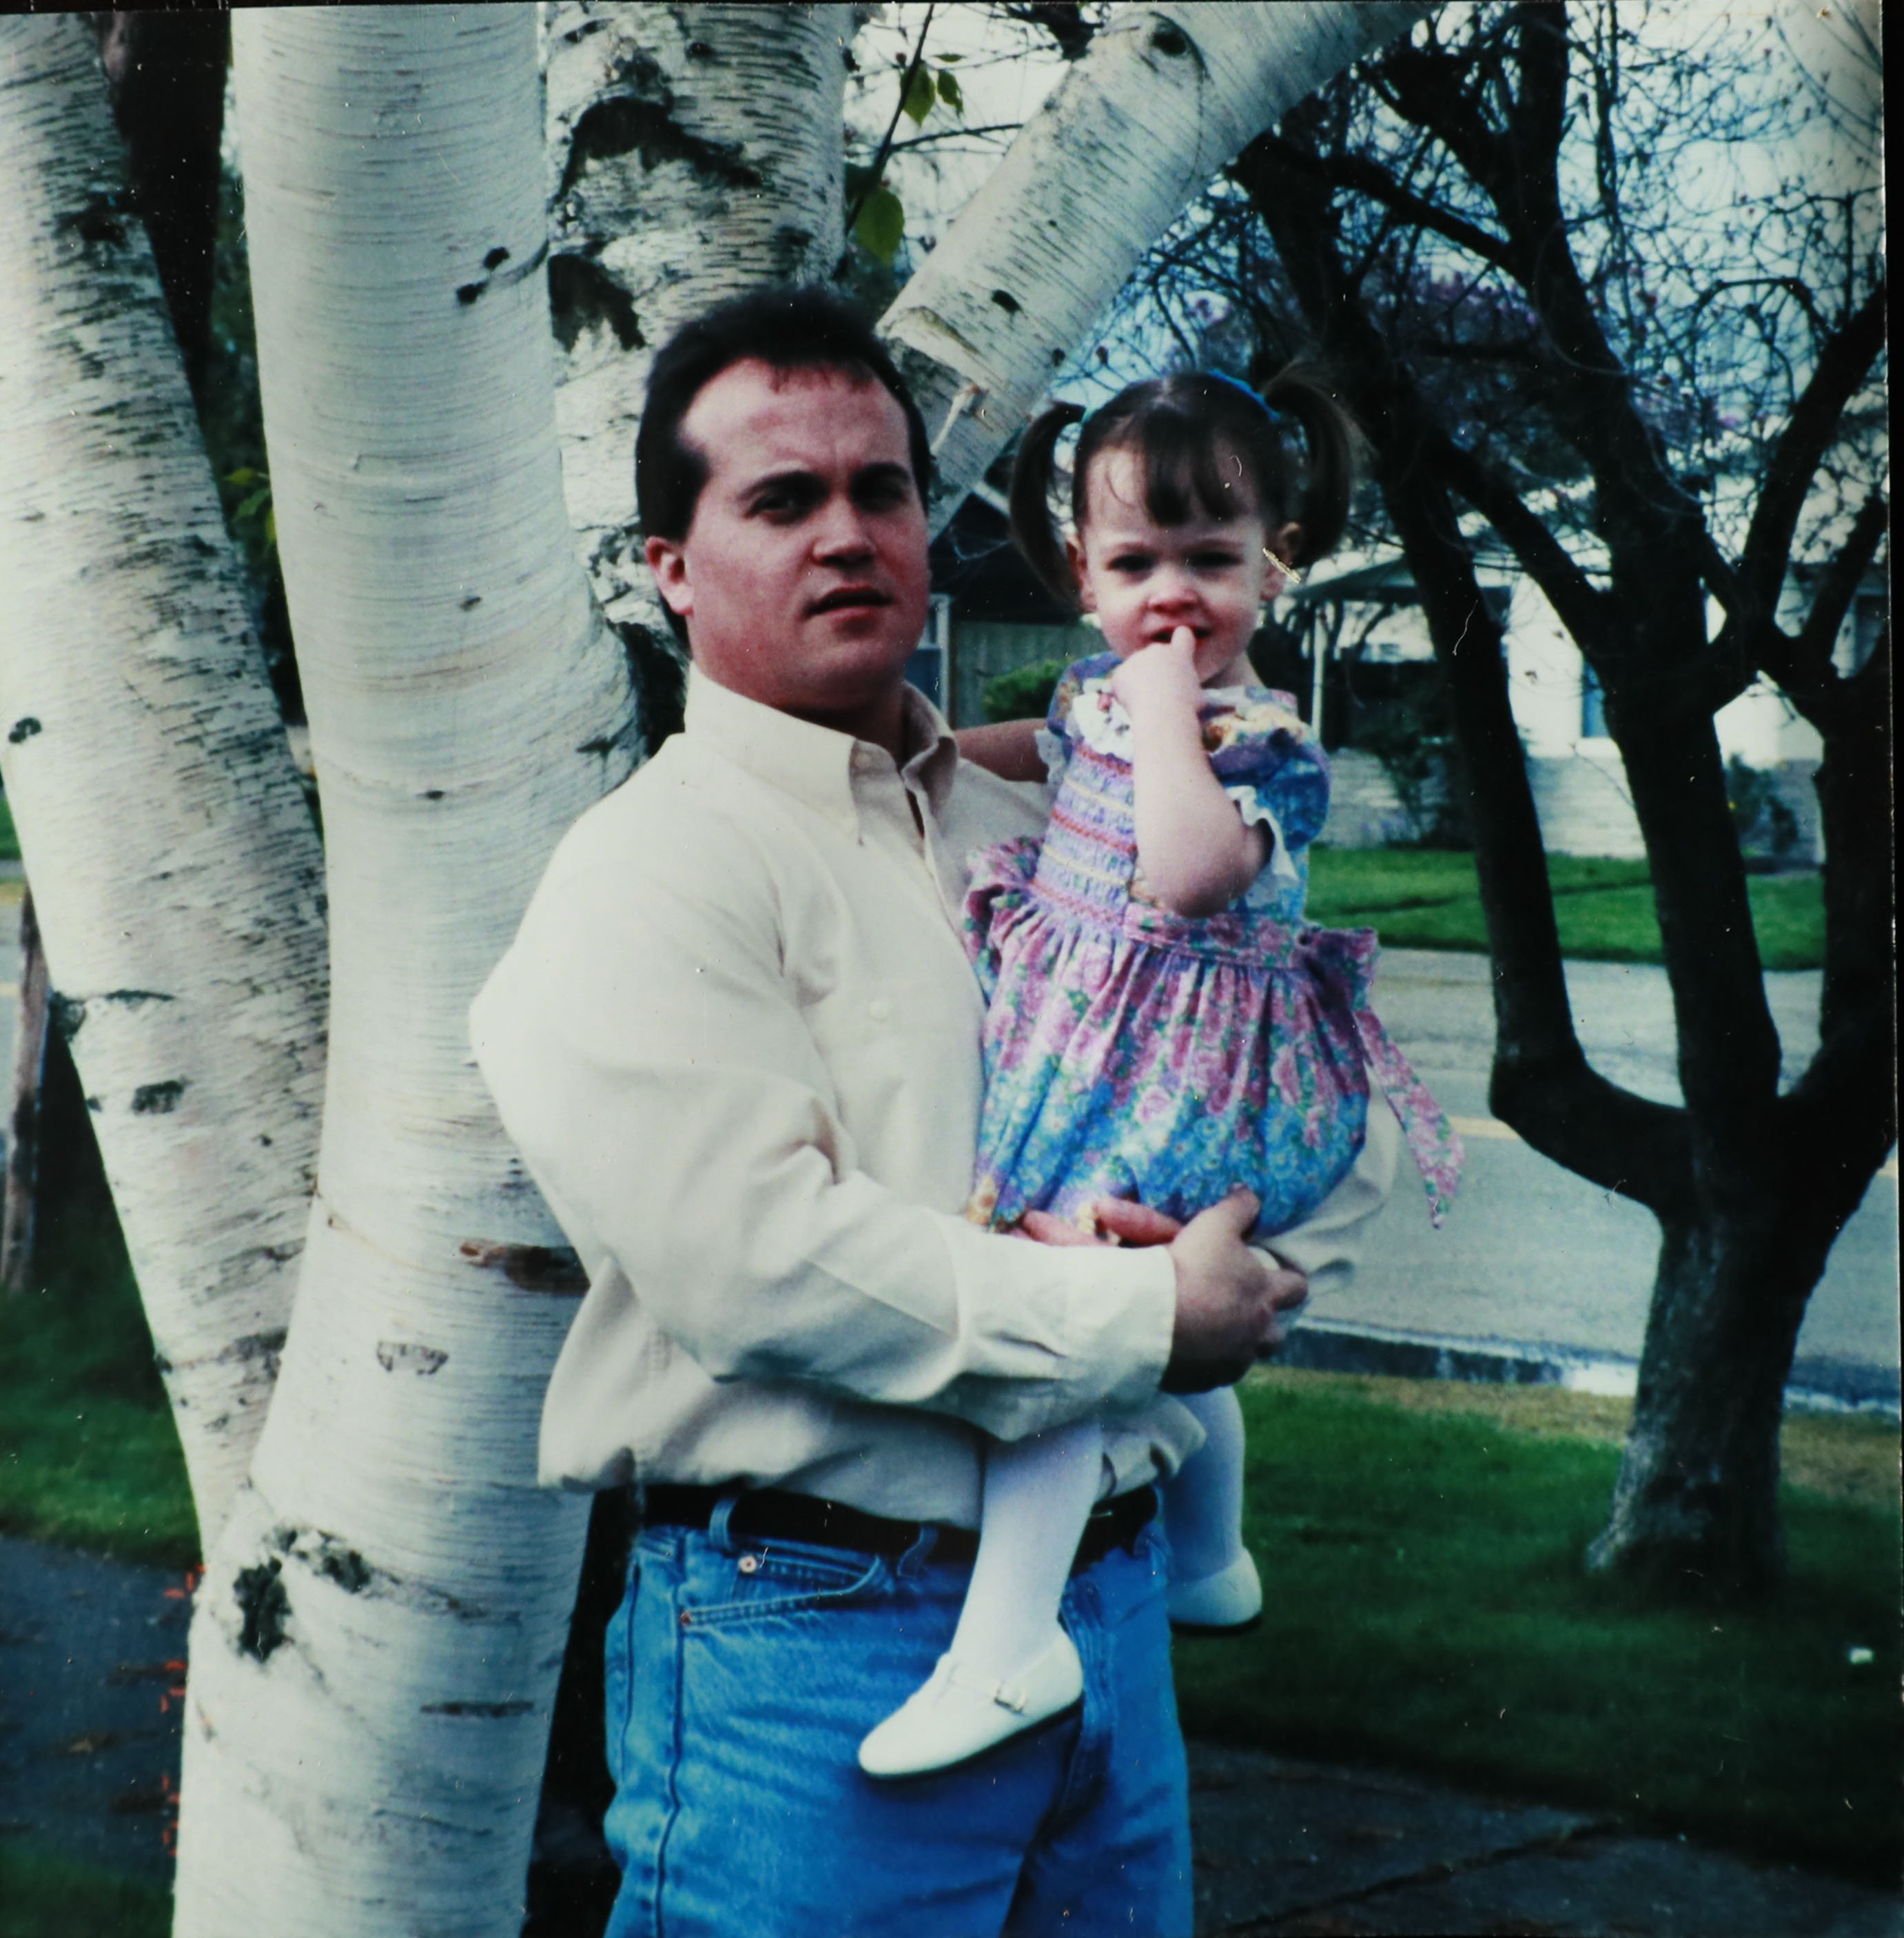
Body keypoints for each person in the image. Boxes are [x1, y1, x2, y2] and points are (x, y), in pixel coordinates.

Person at [469, 288, 1394, 1938]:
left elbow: (1248, 1046)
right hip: (812, 1645)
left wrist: (1234, 1226)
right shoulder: (644, 872)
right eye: (779, 499)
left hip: (1104, 1617)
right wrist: (1134, 1307)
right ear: (668, 565)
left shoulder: (1040, 812)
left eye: (880, 489)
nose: (847, 534)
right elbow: (758, 1262)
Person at [857, 371, 1462, 1780]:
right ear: (1081, 573)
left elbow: (1186, 874)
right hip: (1099, 1057)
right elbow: (1050, 761)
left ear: (1277, 563)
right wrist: (929, 756)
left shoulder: (1261, 742)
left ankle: (1005, 1642)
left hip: (1187, 1074)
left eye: (1211, 560)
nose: (1173, 597)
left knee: (1084, 1322)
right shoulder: (1104, 698)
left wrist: (1156, 702)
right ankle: (1205, 1555)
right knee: (1163, 1338)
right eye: (1135, 565)